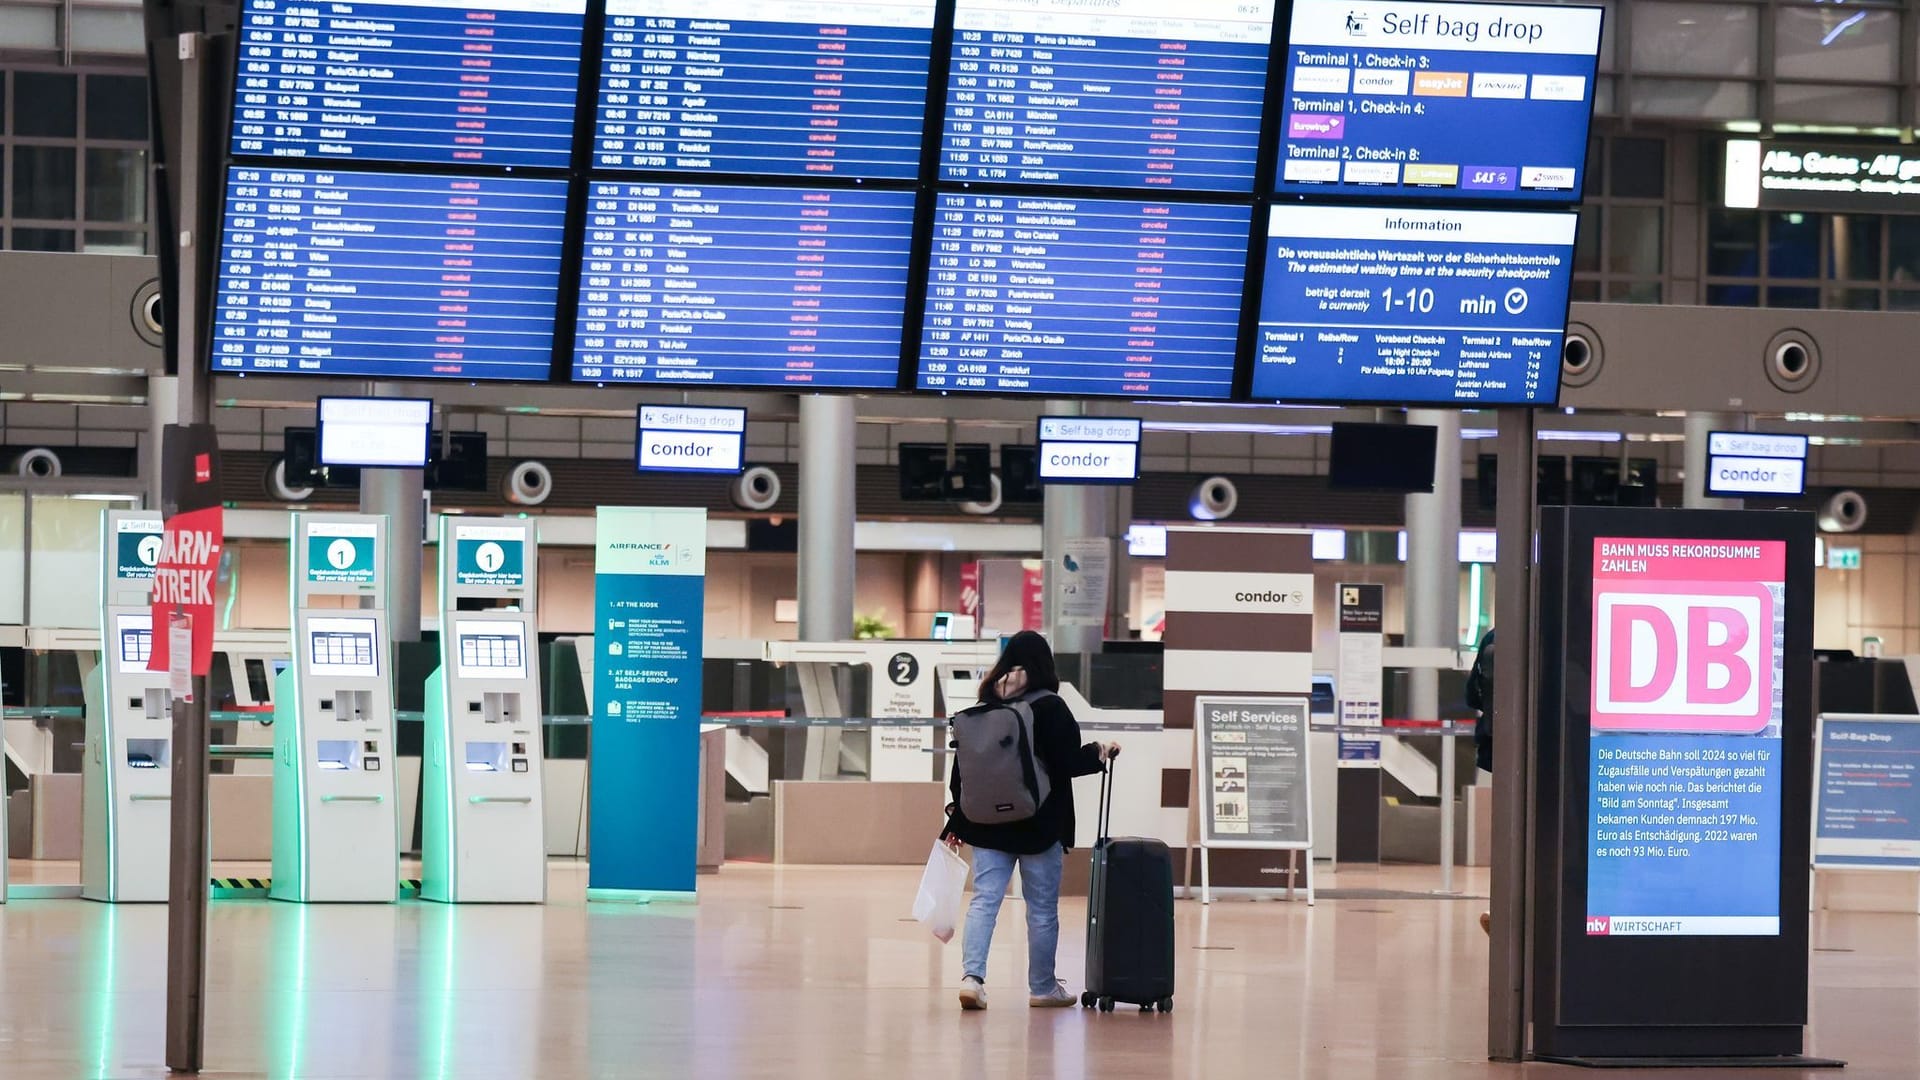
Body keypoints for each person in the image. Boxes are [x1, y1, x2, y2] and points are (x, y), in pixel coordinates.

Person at [941, 630, 1118, 1012]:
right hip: (1040, 822)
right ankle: (1042, 987)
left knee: (985, 901)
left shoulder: (985, 705)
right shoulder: (1050, 706)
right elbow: (1068, 761)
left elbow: (964, 769)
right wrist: (1100, 753)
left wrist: (958, 815)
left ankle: (973, 979)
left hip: (987, 823)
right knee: (1040, 909)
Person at [1464, 627, 1495, 934]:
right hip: (1555, 754)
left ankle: (1500, 906)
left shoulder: (1493, 638)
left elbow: (1471, 694)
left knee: (1509, 834)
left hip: (1501, 746)